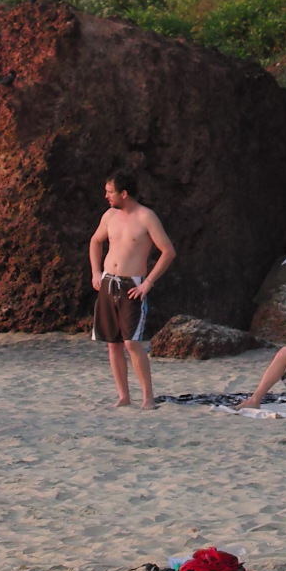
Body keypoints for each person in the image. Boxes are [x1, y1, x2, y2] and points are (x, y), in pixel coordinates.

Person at [88, 171, 176, 408]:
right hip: (109, 282)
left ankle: (148, 397)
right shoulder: (109, 216)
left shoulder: (146, 216)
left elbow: (168, 251)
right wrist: (96, 272)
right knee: (113, 343)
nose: (106, 196)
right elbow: (96, 241)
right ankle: (124, 396)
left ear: (124, 193)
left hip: (132, 285)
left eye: (110, 192)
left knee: (131, 342)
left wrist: (148, 282)